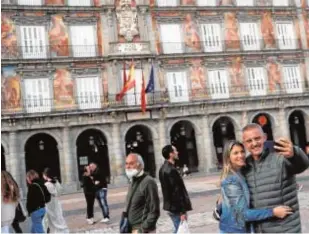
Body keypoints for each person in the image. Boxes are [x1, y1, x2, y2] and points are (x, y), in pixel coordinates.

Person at [241, 123, 309, 233]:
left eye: (257, 138)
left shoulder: (280, 157)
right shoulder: (245, 166)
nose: (254, 143)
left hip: (286, 229)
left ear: (265, 137)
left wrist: (294, 153)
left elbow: (302, 165)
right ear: (244, 143)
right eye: (249, 141)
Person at [219, 140, 293, 233]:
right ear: (228, 157)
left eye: (242, 152)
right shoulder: (231, 180)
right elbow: (243, 214)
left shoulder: (239, 173)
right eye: (235, 153)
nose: (241, 155)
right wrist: (273, 212)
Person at [159, 145, 192, 233]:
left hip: (170, 206)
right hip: (177, 208)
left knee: (179, 229)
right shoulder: (171, 170)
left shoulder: (162, 169)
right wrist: (182, 211)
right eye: (175, 151)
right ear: (171, 154)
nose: (177, 152)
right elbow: (176, 192)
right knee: (181, 229)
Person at [125, 153, 160, 233]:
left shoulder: (148, 182)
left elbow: (154, 211)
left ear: (140, 165)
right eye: (126, 163)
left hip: (142, 230)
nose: (127, 167)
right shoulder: (133, 181)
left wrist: (142, 229)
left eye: (131, 163)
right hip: (132, 229)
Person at [42, 168, 69, 233]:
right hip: (56, 203)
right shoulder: (56, 182)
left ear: (46, 175)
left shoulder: (47, 185)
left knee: (50, 221)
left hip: (49, 205)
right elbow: (59, 192)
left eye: (43, 175)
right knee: (58, 220)